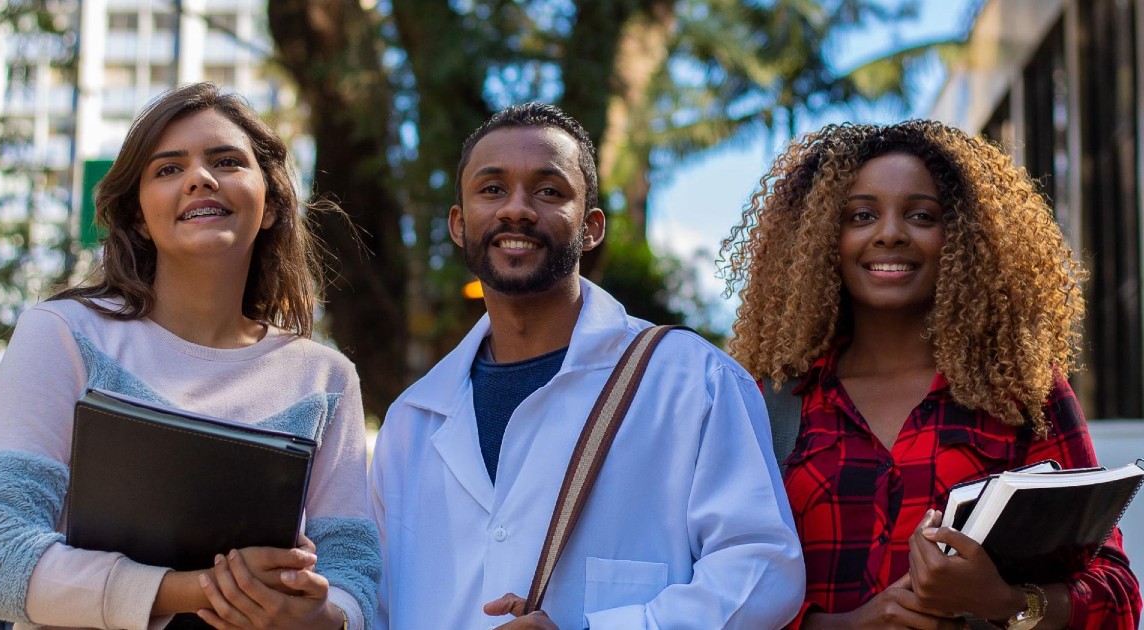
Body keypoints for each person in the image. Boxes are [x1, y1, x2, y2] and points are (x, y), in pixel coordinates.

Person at [368, 102, 805, 630]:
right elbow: (378, 602)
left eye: (549, 191)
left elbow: (763, 570)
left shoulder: (693, 380)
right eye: (492, 189)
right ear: (459, 225)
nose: (517, 209)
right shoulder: (412, 419)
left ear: (592, 226)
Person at [0, 83, 379, 630]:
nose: (200, 178)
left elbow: (358, 580)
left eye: (226, 161)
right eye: (167, 169)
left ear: (273, 204)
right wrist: (201, 590)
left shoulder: (325, 378)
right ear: (137, 217)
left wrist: (320, 615)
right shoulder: (61, 334)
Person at [723, 119, 1142, 629]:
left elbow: (1117, 594)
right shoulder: (767, 402)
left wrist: (1003, 601)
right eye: (861, 216)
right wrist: (843, 626)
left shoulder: (1023, 394)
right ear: (819, 239)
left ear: (964, 238)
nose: (891, 233)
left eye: (922, 215)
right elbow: (712, 586)